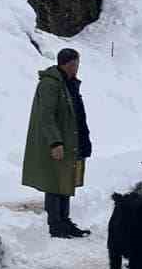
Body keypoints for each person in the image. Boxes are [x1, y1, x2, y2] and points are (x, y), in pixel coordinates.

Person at [21, 47, 92, 238]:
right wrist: (55, 142)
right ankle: (55, 224)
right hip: (58, 142)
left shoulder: (68, 83)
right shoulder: (50, 84)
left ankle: (65, 221)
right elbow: (46, 116)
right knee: (54, 182)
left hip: (70, 140)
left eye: (77, 64)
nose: (77, 68)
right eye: (74, 64)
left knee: (66, 179)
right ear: (66, 64)